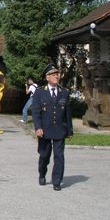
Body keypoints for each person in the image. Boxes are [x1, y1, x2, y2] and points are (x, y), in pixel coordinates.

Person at [32, 63, 73, 191]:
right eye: (53, 75)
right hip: (45, 130)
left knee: (59, 156)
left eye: (57, 74)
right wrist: (38, 128)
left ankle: (57, 181)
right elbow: (36, 112)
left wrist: (69, 131)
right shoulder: (39, 93)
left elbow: (67, 112)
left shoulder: (64, 92)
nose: (57, 76)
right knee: (44, 155)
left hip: (60, 129)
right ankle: (42, 173)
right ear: (47, 77)